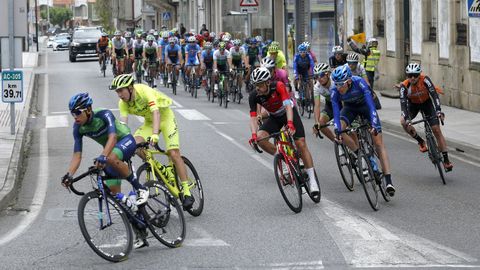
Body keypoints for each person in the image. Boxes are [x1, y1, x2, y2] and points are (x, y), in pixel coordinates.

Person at [109, 74, 195, 209]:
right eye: (117, 91)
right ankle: (159, 169)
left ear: (130, 88)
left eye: (121, 90)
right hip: (149, 123)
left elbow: (156, 113)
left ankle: (186, 190)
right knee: (135, 144)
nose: (119, 94)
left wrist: (155, 135)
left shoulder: (144, 91)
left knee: (173, 153)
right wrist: (121, 145)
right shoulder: (123, 103)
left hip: (165, 118)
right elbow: (123, 127)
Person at [61, 93, 149, 202]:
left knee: (110, 158)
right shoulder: (78, 128)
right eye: (72, 113)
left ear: (88, 109)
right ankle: (132, 210)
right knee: (115, 195)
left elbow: (113, 137)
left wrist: (103, 155)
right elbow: (77, 155)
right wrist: (69, 174)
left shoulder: (103, 114)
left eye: (77, 113)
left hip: (125, 140)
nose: (75, 117)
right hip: (110, 150)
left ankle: (140, 188)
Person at [247, 67, 320, 196]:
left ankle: (313, 181)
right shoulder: (254, 95)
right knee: (260, 138)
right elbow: (253, 117)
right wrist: (253, 135)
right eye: (255, 85)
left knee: (301, 144)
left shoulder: (279, 86)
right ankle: (284, 159)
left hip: (288, 113)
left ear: (268, 82)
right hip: (274, 117)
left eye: (260, 84)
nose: (257, 88)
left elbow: (287, 106)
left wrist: (290, 124)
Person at [330, 65, 396, 196]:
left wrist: (375, 125)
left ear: (349, 81)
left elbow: (371, 106)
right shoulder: (335, 91)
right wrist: (337, 130)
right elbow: (336, 112)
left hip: (366, 107)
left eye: (341, 84)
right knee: (340, 131)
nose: (338, 87)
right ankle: (358, 153)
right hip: (350, 109)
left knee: (378, 143)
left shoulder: (359, 82)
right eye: (336, 84)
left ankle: (388, 180)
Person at [399, 63, 453, 171]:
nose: (412, 78)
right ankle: (421, 141)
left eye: (415, 75)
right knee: (403, 122)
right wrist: (407, 119)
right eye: (410, 75)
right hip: (413, 105)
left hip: (427, 103)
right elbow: (403, 104)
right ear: (407, 76)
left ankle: (446, 160)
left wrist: (438, 110)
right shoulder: (404, 86)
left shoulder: (425, 80)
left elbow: (434, 94)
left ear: (419, 74)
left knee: (436, 130)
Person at [347, 37, 382, 109]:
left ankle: (374, 104)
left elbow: (356, 49)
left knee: (366, 88)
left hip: (367, 71)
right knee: (369, 88)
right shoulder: (377, 52)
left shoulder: (368, 52)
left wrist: (350, 42)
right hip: (371, 71)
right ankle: (375, 104)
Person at [312, 63, 337, 141]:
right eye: (316, 76)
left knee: (348, 127)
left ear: (328, 74)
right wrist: (316, 123)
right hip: (330, 105)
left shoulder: (335, 81)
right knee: (321, 124)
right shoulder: (317, 87)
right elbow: (317, 106)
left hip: (342, 103)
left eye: (322, 75)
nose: (319, 78)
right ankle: (337, 142)